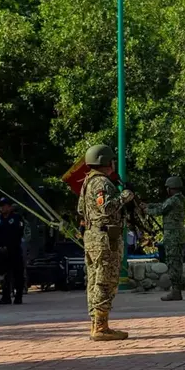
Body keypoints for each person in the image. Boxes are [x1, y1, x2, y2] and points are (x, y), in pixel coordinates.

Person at [78, 144, 135, 341]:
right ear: (105, 161)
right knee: (106, 280)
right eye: (111, 161)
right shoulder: (102, 182)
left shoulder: (87, 181)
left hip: (92, 237)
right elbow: (107, 208)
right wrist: (125, 196)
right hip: (105, 239)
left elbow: (80, 210)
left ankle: (96, 323)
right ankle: (101, 327)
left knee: (94, 280)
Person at [147, 176, 185, 301]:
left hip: (173, 236)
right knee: (177, 263)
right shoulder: (180, 199)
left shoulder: (173, 200)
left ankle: (176, 291)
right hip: (179, 235)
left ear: (171, 188)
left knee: (173, 263)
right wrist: (149, 205)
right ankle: (177, 289)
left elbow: (160, 210)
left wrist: (146, 210)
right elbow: (162, 205)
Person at [0, 198, 26, 305]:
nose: (2, 208)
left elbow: (18, 234)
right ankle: (5, 296)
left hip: (14, 250)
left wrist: (9, 245)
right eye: (1, 206)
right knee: (3, 274)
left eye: (5, 205)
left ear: (10, 207)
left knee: (18, 274)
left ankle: (18, 296)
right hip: (1, 251)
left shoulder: (16, 218)